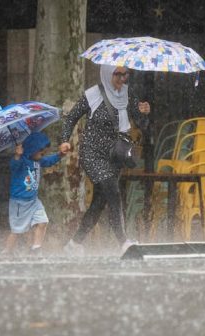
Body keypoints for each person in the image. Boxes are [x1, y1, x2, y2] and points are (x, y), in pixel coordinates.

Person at [59, 65, 151, 255]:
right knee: (113, 191)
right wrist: (64, 140)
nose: (121, 79)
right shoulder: (93, 94)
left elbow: (142, 125)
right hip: (92, 152)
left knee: (100, 201)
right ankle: (123, 241)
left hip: (115, 155)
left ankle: (74, 244)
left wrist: (144, 113)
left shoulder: (128, 95)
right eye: (117, 74)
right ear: (108, 74)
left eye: (125, 74)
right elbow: (71, 118)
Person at [2, 131, 69, 256]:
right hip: (19, 203)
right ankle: (7, 251)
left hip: (33, 201)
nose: (43, 154)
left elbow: (49, 161)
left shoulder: (38, 161)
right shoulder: (21, 161)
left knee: (43, 221)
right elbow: (14, 166)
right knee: (17, 230)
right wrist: (17, 155)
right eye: (41, 151)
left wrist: (60, 154)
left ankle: (36, 248)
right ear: (32, 149)